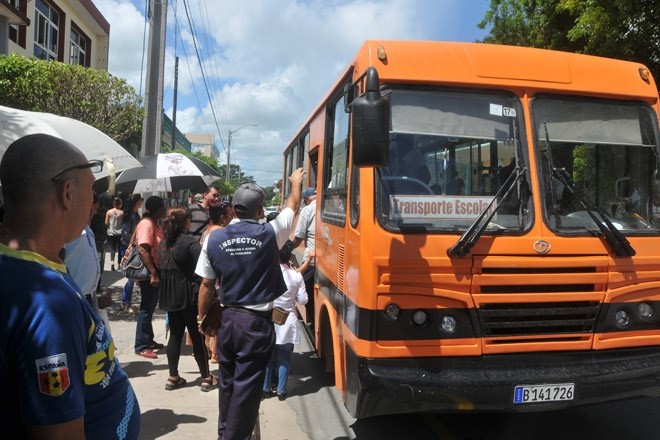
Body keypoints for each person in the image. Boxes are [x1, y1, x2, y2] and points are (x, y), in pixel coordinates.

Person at [0, 133, 140, 438]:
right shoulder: (47, 303)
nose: (94, 202)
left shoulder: (35, 265)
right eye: (91, 189)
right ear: (67, 194)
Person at [196, 168, 305, 440]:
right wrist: (295, 184)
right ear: (260, 211)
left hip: (228, 321)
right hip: (255, 325)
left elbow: (206, 285)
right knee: (246, 391)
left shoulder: (214, 238)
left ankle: (224, 433)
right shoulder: (270, 233)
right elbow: (292, 206)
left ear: (232, 209)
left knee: (228, 384)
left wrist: (201, 319)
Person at [157, 206, 217, 391]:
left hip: (169, 294)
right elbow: (202, 269)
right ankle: (206, 377)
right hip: (188, 295)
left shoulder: (163, 243)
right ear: (186, 222)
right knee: (197, 335)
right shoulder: (190, 242)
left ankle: (173, 376)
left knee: (175, 334)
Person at [262, 240, 308, 400]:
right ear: (290, 256)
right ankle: (281, 390)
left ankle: (266, 388)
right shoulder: (296, 276)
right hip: (287, 321)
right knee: (284, 358)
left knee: (268, 358)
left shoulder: (268, 273)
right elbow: (302, 300)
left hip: (269, 319)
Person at [64, 193, 112, 335]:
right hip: (74, 296)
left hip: (88, 296)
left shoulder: (87, 229)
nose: (95, 211)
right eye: (94, 207)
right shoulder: (69, 230)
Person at [199, 198, 234, 364]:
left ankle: (207, 348)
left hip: (206, 276)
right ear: (222, 216)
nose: (231, 217)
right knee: (218, 318)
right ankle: (215, 353)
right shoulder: (220, 232)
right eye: (229, 214)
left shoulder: (207, 230)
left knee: (208, 315)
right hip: (218, 281)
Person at [134, 195, 166, 359]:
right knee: (146, 308)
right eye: (163, 206)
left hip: (154, 270)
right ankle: (141, 345)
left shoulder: (154, 223)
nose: (165, 209)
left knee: (150, 306)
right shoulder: (147, 224)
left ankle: (149, 339)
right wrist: (153, 273)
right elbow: (142, 249)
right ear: (158, 208)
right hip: (149, 273)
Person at [291, 186, 317, 326]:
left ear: (307, 199)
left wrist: (286, 248)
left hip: (312, 261)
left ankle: (312, 322)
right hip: (329, 260)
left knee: (302, 286)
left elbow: (299, 237)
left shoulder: (308, 210)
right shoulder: (332, 205)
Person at [120, 194, 144, 312]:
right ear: (137, 202)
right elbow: (125, 233)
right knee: (132, 275)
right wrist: (133, 242)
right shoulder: (130, 215)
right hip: (130, 247)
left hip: (134, 247)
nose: (142, 202)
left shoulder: (135, 214)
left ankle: (125, 302)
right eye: (141, 200)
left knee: (133, 276)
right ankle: (125, 302)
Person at [105, 196, 124, 271]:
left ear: (113, 203)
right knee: (119, 248)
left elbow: (106, 222)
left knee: (112, 248)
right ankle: (118, 264)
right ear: (120, 204)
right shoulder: (122, 212)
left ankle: (112, 263)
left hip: (111, 233)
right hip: (120, 233)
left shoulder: (109, 212)